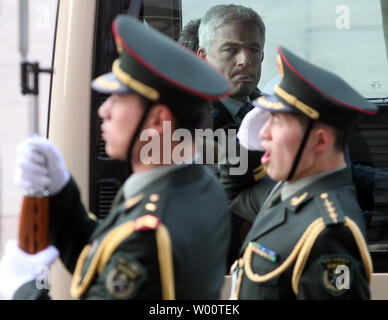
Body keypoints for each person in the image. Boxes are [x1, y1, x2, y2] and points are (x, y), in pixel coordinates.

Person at [0, 14, 232, 300]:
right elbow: (107, 252)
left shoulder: (151, 233)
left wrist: (22, 290)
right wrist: (61, 193)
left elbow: (128, 250)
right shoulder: (198, 184)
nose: (103, 110)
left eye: (118, 99)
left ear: (158, 120)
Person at [227, 46, 376, 299]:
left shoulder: (330, 231)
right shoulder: (289, 195)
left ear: (319, 142)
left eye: (278, 121)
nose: (263, 133)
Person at [197, 4, 265, 131]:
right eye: (231, 50)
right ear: (203, 58)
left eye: (253, 50)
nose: (245, 60)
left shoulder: (273, 112)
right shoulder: (188, 120)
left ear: (262, 56)